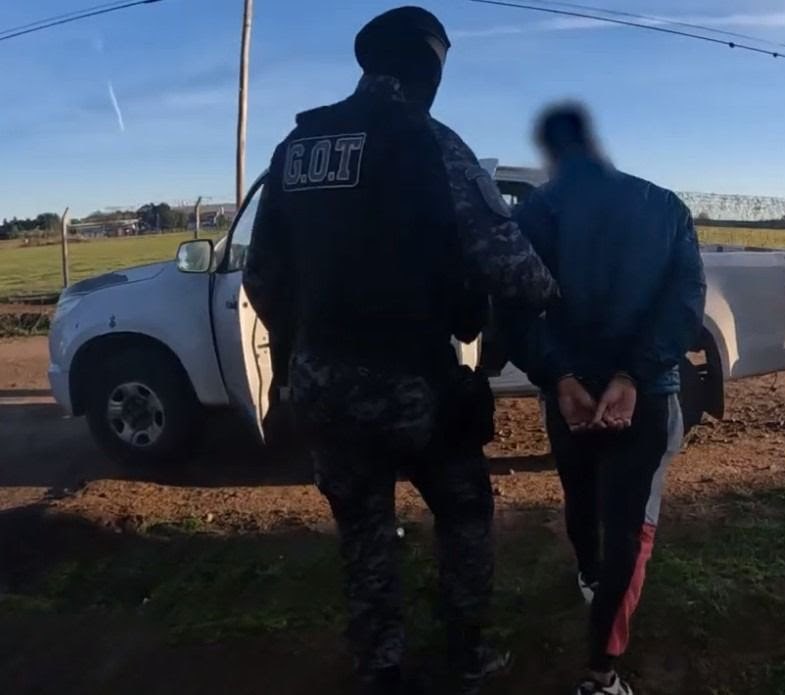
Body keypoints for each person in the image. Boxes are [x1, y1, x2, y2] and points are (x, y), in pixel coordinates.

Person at [242, 7, 558, 694]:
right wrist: (550, 293)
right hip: (413, 383)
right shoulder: (431, 143)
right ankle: (466, 653)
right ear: (429, 72)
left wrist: (309, 342)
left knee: (363, 527)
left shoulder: (297, 148)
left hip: (322, 382)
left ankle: (380, 667)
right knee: (464, 512)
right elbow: (513, 268)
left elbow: (261, 276)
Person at [505, 104, 707, 695]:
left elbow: (513, 308)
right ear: (595, 142)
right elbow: (684, 307)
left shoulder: (534, 214)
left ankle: (589, 576)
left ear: (550, 154)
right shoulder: (663, 206)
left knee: (579, 494)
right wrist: (633, 376)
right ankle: (601, 673)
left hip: (569, 400)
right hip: (643, 398)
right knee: (627, 523)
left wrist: (561, 378)